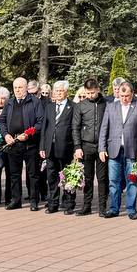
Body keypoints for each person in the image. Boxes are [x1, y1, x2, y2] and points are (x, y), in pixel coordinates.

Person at [98, 78, 137, 220]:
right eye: (122, 96)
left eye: (127, 96)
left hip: (132, 150)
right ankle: (114, 208)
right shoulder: (111, 107)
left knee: (132, 180)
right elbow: (104, 129)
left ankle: (131, 209)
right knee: (113, 181)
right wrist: (101, 148)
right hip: (113, 149)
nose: (124, 98)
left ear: (132, 93)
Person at [2, 77, 44, 210]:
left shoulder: (35, 102)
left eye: (20, 87)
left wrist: (28, 134)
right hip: (13, 144)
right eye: (15, 88)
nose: (17, 90)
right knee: (14, 174)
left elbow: (40, 122)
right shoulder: (9, 103)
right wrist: (6, 135)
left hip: (30, 144)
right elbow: (2, 121)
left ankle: (33, 201)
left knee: (33, 174)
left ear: (26, 88)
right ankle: (16, 200)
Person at [70, 77, 106, 216]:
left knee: (102, 178)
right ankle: (87, 206)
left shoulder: (106, 104)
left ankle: (102, 207)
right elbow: (75, 128)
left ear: (98, 90)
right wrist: (77, 147)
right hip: (86, 146)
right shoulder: (80, 106)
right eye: (88, 93)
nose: (90, 95)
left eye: (92, 92)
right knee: (87, 177)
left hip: (102, 147)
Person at [39, 80, 75, 214]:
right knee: (52, 177)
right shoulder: (49, 107)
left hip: (66, 147)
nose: (58, 93)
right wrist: (42, 147)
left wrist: (76, 147)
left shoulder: (73, 107)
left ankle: (68, 204)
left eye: (61, 91)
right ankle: (53, 204)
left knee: (67, 176)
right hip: (50, 147)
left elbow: (74, 128)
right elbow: (44, 128)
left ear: (66, 92)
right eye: (56, 90)